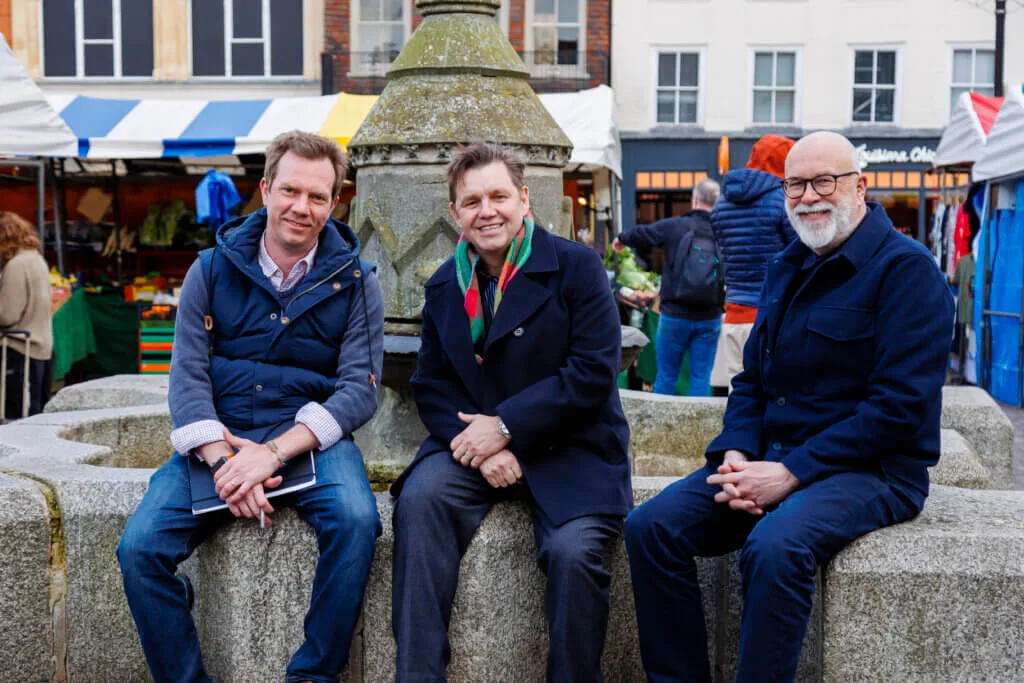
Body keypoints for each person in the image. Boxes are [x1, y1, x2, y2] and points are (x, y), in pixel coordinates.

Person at [624, 131, 954, 683]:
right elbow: (752, 380)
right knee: (650, 528)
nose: (808, 196)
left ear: (859, 187)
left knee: (773, 549)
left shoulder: (908, 272)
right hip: (770, 455)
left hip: (872, 469)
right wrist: (734, 450)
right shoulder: (788, 263)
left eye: (824, 181)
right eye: (795, 184)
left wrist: (790, 472)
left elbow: (900, 408)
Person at [117, 131, 384, 683]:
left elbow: (359, 390)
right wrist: (223, 463)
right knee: (139, 549)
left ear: (335, 203)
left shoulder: (358, 281)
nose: (301, 208)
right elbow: (187, 379)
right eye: (290, 190)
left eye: (317, 197)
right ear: (265, 189)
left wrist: (270, 456)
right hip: (220, 437)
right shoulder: (210, 270)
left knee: (358, 521)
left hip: (308, 437)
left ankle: (312, 675)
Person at [390, 142, 632, 682]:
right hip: (472, 447)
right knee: (419, 501)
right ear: (455, 214)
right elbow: (431, 385)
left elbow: (593, 373)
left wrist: (507, 429)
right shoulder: (443, 286)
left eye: (498, 195)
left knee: (574, 556)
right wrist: (483, 451)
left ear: (524, 199)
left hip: (572, 446)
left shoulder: (577, 268)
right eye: (471, 201)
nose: (487, 210)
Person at [613, 178, 723, 396]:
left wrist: (620, 240)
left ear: (694, 200)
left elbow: (642, 234)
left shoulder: (675, 226)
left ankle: (662, 428)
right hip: (710, 316)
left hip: (674, 314)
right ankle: (699, 429)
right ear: (717, 202)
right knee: (701, 377)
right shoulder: (722, 231)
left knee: (666, 375)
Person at [709, 134, 797, 392]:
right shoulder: (782, 200)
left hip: (733, 315)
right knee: (777, 394)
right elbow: (799, 254)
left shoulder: (722, 203)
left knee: (740, 393)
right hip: (771, 315)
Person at [0, 211, 53, 419]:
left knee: (15, 417)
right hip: (40, 348)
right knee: (35, 414)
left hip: (18, 350)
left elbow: (7, 315)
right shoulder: (36, 259)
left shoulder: (16, 265)